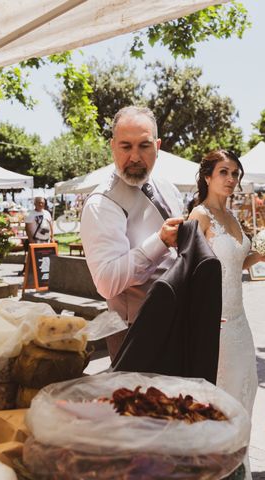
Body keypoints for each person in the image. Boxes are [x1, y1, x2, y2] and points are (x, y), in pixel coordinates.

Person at [188, 149, 265, 480]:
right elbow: (189, 272)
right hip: (215, 323)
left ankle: (238, 465)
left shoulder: (233, 218)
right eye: (224, 172)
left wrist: (260, 254)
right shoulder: (199, 216)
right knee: (220, 398)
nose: (232, 179)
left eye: (236, 173)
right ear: (207, 176)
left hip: (240, 321)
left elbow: (234, 264)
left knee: (246, 389)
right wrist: (204, 319)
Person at [81, 106, 183, 359]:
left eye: (144, 146)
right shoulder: (101, 203)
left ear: (157, 146)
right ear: (112, 146)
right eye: (126, 147)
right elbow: (107, 283)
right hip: (134, 332)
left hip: (177, 322)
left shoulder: (167, 187)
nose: (135, 157)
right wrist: (159, 241)